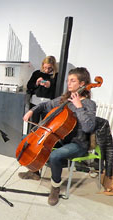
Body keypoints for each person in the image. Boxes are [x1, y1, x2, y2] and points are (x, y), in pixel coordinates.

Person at [19, 67, 96, 206]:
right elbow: (44, 105)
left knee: (55, 155)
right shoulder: (64, 99)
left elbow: (88, 127)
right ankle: (35, 172)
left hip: (79, 143)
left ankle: (55, 187)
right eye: (68, 80)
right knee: (38, 143)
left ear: (82, 84)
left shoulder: (88, 104)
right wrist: (31, 111)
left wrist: (78, 107)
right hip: (62, 138)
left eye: (73, 81)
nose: (69, 83)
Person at [26, 56, 58, 129]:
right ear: (42, 65)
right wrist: (36, 83)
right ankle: (31, 139)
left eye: (49, 68)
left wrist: (49, 85)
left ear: (53, 66)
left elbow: (57, 89)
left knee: (45, 125)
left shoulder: (56, 76)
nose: (47, 70)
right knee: (33, 125)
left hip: (48, 103)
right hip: (35, 102)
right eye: (45, 67)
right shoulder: (37, 73)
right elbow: (29, 85)